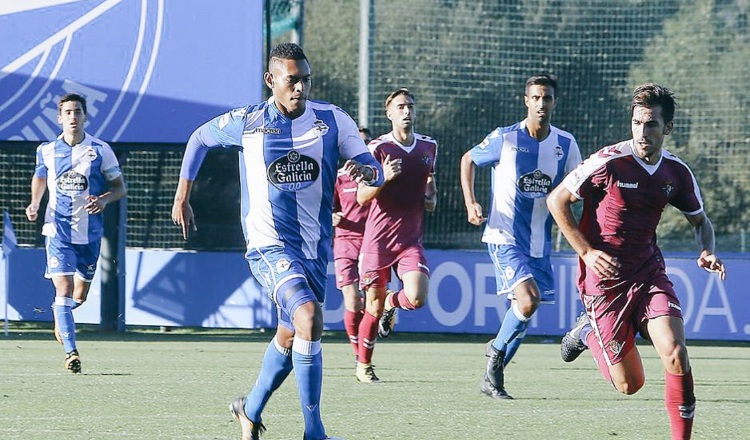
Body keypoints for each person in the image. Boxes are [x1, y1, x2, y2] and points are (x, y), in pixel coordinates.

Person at [171, 43, 382, 440]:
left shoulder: (333, 120)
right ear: (271, 81)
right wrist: (183, 194)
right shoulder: (249, 122)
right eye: (292, 80)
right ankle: (314, 432)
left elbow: (372, 167)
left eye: (305, 79)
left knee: (291, 334)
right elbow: (199, 138)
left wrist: (368, 173)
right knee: (308, 317)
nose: (300, 87)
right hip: (268, 246)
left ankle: (248, 410)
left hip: (314, 249)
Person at [547, 83, 727, 440]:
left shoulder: (676, 173)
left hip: (648, 275)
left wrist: (706, 251)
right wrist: (586, 251)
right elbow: (557, 200)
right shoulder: (608, 162)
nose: (643, 132)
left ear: (668, 129)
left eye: (652, 125)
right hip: (604, 282)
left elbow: (700, 221)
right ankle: (586, 331)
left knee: (676, 352)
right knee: (631, 384)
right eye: (637, 123)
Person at [460, 74, 582, 399]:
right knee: (527, 302)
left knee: (525, 313)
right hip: (504, 236)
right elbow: (468, 159)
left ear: (555, 102)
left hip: (539, 244)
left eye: (548, 98)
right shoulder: (506, 138)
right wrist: (471, 202)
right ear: (526, 100)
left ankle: (492, 379)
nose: (542, 104)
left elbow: (578, 185)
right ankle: (495, 351)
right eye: (536, 98)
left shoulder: (566, 144)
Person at [25, 93, 127, 374]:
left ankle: (62, 313)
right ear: (60, 118)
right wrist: (35, 202)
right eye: (67, 112)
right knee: (65, 289)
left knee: (78, 297)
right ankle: (71, 353)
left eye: (77, 112)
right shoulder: (46, 150)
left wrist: (104, 200)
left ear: (84, 116)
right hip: (57, 230)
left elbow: (119, 187)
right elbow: (40, 176)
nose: (72, 117)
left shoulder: (100, 149)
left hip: (90, 234)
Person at [355, 88, 438, 383]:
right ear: (389, 113)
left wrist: (431, 197)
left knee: (417, 297)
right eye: (400, 107)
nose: (406, 111)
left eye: (410, 106)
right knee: (372, 307)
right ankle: (364, 365)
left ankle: (394, 303)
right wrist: (385, 178)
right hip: (377, 242)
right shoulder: (377, 149)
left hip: (409, 241)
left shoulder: (429, 147)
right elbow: (362, 197)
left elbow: (429, 183)